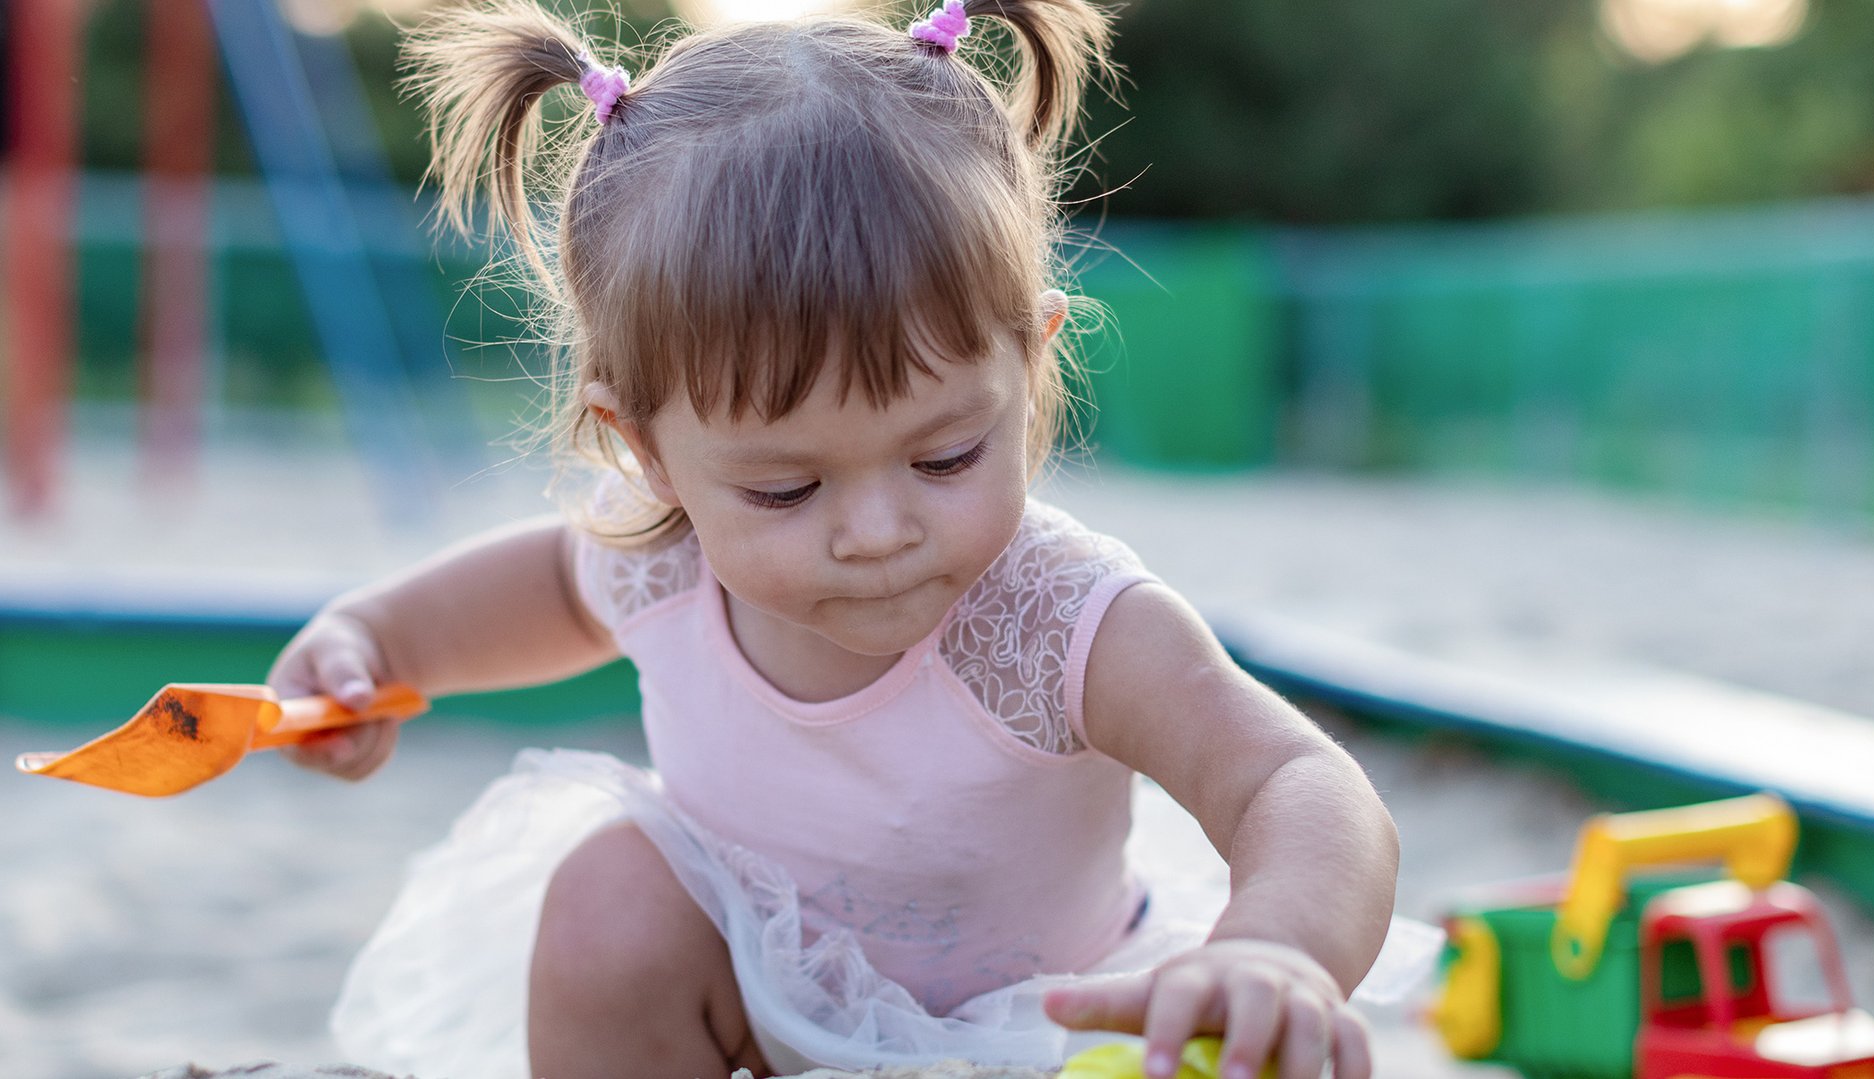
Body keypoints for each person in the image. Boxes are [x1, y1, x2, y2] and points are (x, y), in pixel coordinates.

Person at [268, 2, 1431, 1077]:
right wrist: (371, 642)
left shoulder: (1055, 622)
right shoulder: (661, 561)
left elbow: (1297, 780)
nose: (877, 532)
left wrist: (1275, 946)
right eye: (784, 488)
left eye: (944, 458)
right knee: (610, 894)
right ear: (648, 449)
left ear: (1029, 368)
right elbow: (531, 591)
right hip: (777, 1024)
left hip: (1047, 1042)